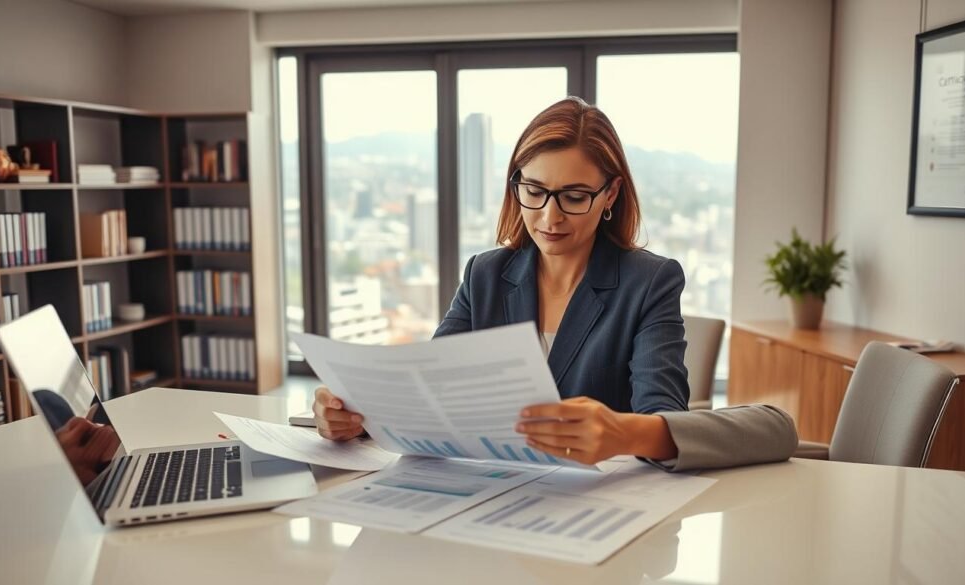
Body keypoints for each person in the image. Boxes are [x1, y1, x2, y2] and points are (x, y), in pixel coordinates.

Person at [314, 97, 798, 471]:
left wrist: (620, 433)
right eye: (535, 191)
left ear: (610, 194)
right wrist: (354, 419)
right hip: (489, 504)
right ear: (516, 183)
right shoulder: (485, 274)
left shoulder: (649, 283)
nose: (549, 217)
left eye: (573, 196)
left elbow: (664, 414)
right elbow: (431, 398)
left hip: (601, 515)